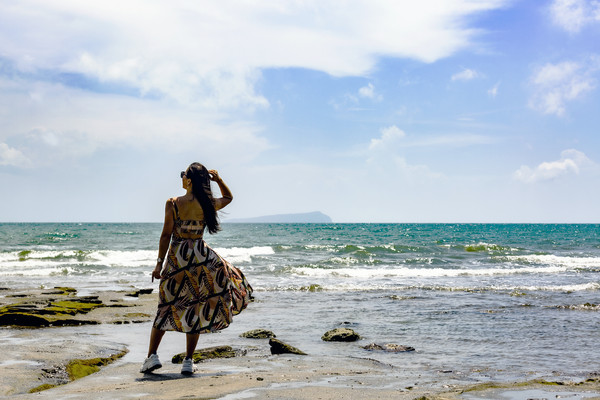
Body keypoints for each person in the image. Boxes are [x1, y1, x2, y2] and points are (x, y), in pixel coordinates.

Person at [140, 162, 253, 375]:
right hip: (201, 259)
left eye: (184, 174)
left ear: (189, 180)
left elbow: (166, 235)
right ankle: (188, 361)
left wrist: (158, 264)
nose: (182, 177)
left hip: (177, 259)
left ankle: (152, 357)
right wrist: (218, 180)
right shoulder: (207, 203)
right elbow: (228, 198)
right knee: (195, 307)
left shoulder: (173, 203)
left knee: (166, 306)